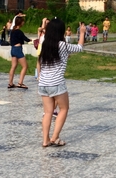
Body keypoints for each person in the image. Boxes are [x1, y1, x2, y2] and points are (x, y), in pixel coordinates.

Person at [38, 18, 85, 147]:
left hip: (43, 83)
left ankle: (45, 140)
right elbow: (79, 48)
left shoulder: (45, 44)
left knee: (48, 112)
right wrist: (82, 33)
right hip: (57, 82)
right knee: (64, 109)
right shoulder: (62, 45)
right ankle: (55, 137)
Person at [8, 16, 31, 89]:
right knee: (25, 66)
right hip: (18, 50)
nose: (23, 23)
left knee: (13, 66)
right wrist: (32, 40)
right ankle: (20, 83)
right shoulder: (19, 32)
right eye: (23, 21)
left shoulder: (12, 31)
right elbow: (26, 39)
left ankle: (10, 83)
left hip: (13, 49)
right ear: (20, 23)